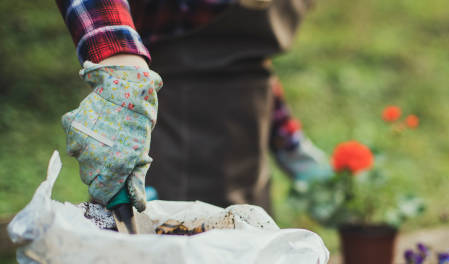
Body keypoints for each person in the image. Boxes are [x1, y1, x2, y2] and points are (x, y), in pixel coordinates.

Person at [56, 0, 330, 213]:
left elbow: (248, 63)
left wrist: (289, 143)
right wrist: (118, 66)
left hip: (246, 156)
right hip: (161, 135)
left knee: (243, 259)